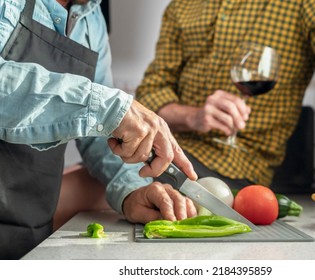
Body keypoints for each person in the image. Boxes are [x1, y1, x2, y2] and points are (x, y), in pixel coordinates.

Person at [0, 0, 197, 260]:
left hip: (30, 234)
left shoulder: (93, 19)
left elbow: (100, 135)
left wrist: (133, 190)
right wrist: (108, 107)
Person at [134, 0, 315, 190]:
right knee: (102, 164)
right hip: (163, 147)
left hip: (235, 167)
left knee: (115, 180)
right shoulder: (182, 6)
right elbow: (151, 92)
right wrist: (194, 116)